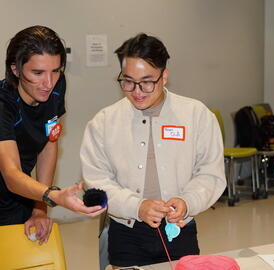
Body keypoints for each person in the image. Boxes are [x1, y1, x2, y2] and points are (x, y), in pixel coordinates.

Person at [80, 33, 226, 268]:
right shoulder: (104, 121)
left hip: (180, 229)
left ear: (164, 76)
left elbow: (210, 172)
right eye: (128, 81)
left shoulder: (196, 115)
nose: (137, 91)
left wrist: (188, 201)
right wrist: (136, 206)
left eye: (147, 81)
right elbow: (97, 181)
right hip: (126, 233)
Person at [0, 25, 105, 244]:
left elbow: (49, 140)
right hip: (13, 185)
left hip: (22, 194)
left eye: (55, 70)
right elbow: (11, 174)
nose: (48, 83)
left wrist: (40, 208)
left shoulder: (56, 86)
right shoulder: (3, 105)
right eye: (37, 73)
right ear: (15, 69)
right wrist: (52, 195)